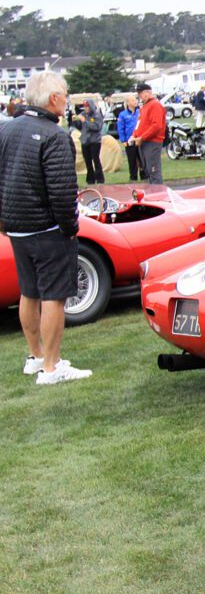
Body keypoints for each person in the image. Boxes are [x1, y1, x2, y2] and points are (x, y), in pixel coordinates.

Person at [0, 71, 91, 384]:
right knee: (54, 295)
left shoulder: (8, 130)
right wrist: (70, 227)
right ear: (54, 99)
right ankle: (51, 367)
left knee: (29, 291)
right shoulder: (55, 135)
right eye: (65, 94)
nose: (67, 99)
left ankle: (36, 355)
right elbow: (62, 190)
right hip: (46, 228)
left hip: (16, 227)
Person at [130, 82, 167, 184]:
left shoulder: (155, 105)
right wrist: (134, 135)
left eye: (140, 93)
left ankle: (158, 195)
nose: (139, 97)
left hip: (152, 142)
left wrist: (142, 137)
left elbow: (157, 125)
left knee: (154, 170)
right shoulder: (144, 106)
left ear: (147, 93)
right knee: (148, 170)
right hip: (144, 142)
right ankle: (154, 193)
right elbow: (139, 123)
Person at [73, 96, 106, 185]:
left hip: (95, 141)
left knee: (96, 160)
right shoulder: (83, 114)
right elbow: (81, 127)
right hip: (85, 140)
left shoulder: (97, 115)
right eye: (84, 106)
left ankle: (100, 179)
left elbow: (97, 127)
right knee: (87, 161)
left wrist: (85, 121)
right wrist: (75, 121)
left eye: (87, 106)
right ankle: (90, 179)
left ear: (91, 106)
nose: (86, 108)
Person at [117, 95, 144, 181]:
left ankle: (144, 176)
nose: (135, 102)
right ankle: (133, 178)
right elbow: (120, 128)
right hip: (130, 140)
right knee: (132, 160)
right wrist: (123, 140)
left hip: (140, 139)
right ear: (128, 103)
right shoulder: (123, 115)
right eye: (132, 100)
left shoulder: (140, 112)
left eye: (135, 100)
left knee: (142, 159)